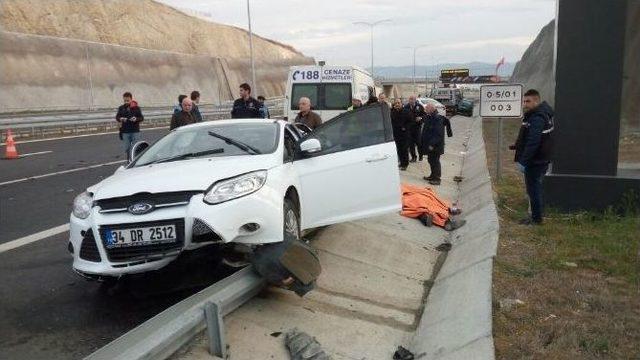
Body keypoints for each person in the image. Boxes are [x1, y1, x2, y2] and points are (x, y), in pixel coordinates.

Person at [511, 89, 554, 225]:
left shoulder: (538, 117)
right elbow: (528, 136)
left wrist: (523, 161)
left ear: (536, 100)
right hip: (538, 159)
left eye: (528, 101)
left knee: (533, 190)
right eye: (524, 101)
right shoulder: (536, 114)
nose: (525, 104)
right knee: (534, 189)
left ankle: (536, 219)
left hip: (536, 161)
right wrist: (517, 146)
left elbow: (533, 142)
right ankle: (535, 215)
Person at [420, 103, 446, 185]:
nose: (425, 110)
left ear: (432, 109)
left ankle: (437, 179)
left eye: (427, 108)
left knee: (435, 161)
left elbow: (438, 134)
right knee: (431, 160)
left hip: (435, 146)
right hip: (429, 145)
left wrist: (432, 144)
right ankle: (432, 175)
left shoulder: (437, 118)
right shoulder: (429, 117)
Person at [115, 92, 144, 162]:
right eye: (125, 100)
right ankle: (129, 161)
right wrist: (121, 119)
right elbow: (117, 117)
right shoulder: (121, 108)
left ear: (131, 99)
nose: (126, 102)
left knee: (135, 147)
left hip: (135, 131)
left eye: (128, 100)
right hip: (125, 131)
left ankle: (136, 161)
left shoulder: (136, 108)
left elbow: (141, 118)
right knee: (127, 148)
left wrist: (136, 119)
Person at [402, 95, 425, 162]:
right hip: (409, 128)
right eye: (410, 99)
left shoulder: (419, 106)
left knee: (418, 143)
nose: (411, 100)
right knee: (411, 144)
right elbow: (403, 118)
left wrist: (420, 118)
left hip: (417, 128)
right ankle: (413, 157)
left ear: (415, 100)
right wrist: (404, 126)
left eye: (413, 99)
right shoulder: (406, 107)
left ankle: (421, 155)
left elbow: (424, 115)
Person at [391, 99, 409, 170]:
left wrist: (405, 127)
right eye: (396, 103)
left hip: (404, 135)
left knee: (404, 150)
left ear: (401, 104)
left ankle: (405, 164)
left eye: (398, 103)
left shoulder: (406, 112)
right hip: (396, 134)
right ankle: (401, 163)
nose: (397, 104)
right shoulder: (393, 112)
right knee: (399, 150)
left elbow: (411, 122)